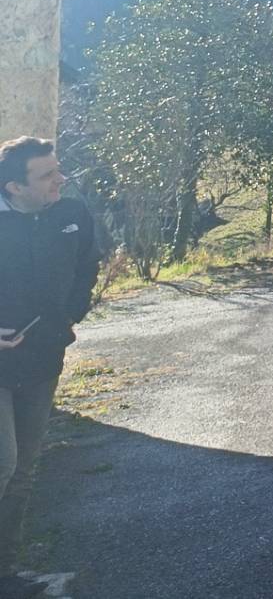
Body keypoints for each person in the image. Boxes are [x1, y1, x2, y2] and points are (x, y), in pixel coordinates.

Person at [0, 138, 98, 598]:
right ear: (14, 187)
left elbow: (86, 266)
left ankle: (5, 571)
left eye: (59, 169)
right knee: (4, 463)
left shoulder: (71, 213)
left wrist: (68, 317)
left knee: (24, 469)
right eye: (48, 175)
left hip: (43, 358)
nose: (61, 179)